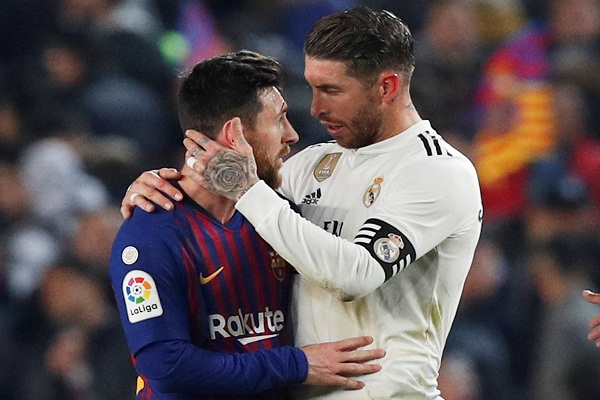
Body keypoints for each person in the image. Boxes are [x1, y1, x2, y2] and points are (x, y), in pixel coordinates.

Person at [123, 7, 482, 399]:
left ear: (387, 88)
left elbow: (356, 276)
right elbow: (230, 197)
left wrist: (245, 188)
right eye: (312, 87)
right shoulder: (312, 165)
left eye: (330, 90)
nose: (314, 108)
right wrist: (159, 188)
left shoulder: (437, 171)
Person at [110, 50, 384, 400]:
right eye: (279, 119)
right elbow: (168, 368)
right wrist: (296, 364)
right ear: (234, 133)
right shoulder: (151, 235)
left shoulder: (280, 216)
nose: (292, 135)